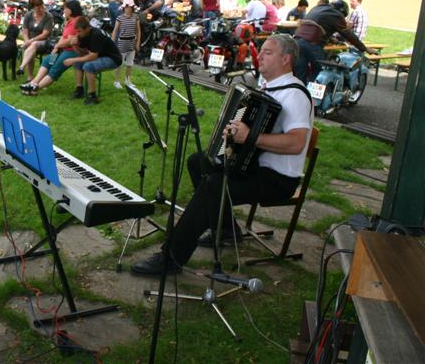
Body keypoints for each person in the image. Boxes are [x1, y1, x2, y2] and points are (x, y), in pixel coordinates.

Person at [131, 34, 313, 276]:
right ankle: (227, 229)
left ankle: (172, 257)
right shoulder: (270, 87)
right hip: (256, 168)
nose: (259, 56)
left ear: (286, 59)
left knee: (212, 186)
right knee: (199, 162)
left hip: (278, 179)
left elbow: (297, 143)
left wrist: (250, 137)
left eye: (268, 52)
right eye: (261, 51)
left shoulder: (295, 95)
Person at [293, 0, 375, 83]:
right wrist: (364, 48)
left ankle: (301, 92)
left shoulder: (317, 8)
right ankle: (313, 91)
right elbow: (347, 33)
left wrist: (333, 40)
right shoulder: (336, 14)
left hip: (297, 42)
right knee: (321, 70)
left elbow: (317, 26)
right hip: (313, 44)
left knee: (300, 73)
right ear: (342, 11)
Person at [19, 0, 83, 96]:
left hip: (73, 51)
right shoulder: (69, 21)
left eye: (65, 8)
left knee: (55, 68)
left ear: (71, 10)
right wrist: (56, 48)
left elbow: (69, 42)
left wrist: (57, 45)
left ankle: (35, 88)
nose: (64, 10)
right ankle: (33, 82)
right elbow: (63, 37)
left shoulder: (77, 22)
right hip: (63, 49)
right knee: (47, 60)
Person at [70, 16, 122, 104]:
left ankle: (92, 96)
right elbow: (82, 54)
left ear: (87, 28)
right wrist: (74, 46)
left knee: (88, 66)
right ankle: (79, 90)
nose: (78, 34)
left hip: (113, 59)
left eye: (79, 31)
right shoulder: (84, 35)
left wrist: (72, 59)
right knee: (78, 63)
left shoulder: (96, 34)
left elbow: (92, 56)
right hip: (100, 56)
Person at [17, 0, 54, 80]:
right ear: (33, 7)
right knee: (31, 47)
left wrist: (31, 40)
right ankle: (29, 77)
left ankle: (22, 66)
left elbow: (45, 34)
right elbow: (25, 31)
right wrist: (27, 41)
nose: (41, 9)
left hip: (44, 42)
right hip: (30, 42)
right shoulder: (28, 15)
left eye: (42, 7)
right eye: (38, 8)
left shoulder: (48, 16)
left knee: (33, 44)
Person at [111, 0, 140, 89]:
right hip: (122, 42)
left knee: (130, 64)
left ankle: (127, 80)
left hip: (132, 42)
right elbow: (115, 31)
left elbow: (138, 31)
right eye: (127, 7)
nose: (129, 8)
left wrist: (138, 43)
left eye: (130, 7)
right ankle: (117, 81)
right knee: (120, 63)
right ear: (124, 7)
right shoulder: (120, 18)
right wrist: (112, 43)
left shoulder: (136, 17)